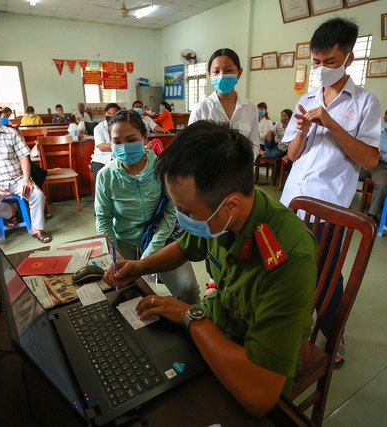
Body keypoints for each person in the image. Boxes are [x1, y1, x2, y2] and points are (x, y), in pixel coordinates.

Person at [103, 120, 317, 416]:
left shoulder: (288, 259)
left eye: (187, 212)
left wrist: (190, 315)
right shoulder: (222, 216)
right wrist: (140, 266)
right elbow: (185, 247)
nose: (181, 219)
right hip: (217, 325)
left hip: (248, 361)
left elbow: (259, 397)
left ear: (229, 205)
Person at [280, 17, 382, 367]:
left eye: (330, 62)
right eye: (317, 62)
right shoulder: (306, 99)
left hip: (330, 204)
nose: (322, 69)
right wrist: (304, 130)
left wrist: (332, 123)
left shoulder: (367, 103)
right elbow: (291, 155)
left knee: (326, 272)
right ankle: (288, 323)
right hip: (292, 199)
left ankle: (331, 335)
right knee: (285, 263)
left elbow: (369, 158)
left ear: (349, 59)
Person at [94, 110, 200, 304]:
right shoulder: (105, 176)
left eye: (131, 139)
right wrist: (114, 255)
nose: (124, 146)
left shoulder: (162, 167)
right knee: (121, 293)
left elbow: (171, 209)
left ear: (144, 137)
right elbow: (103, 220)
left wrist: (152, 250)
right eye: (117, 141)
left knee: (188, 290)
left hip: (162, 239)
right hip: (124, 241)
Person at [0, 99, 52, 243]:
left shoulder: (10, 133)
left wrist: (26, 178)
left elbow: (23, 156)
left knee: (37, 195)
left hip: (18, 179)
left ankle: (36, 229)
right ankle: (10, 211)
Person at [188, 48, 260, 159]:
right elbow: (191, 146)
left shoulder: (250, 108)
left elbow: (254, 144)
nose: (221, 76)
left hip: (241, 173)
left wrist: (244, 166)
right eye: (216, 71)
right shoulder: (201, 109)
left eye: (228, 70)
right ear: (210, 75)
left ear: (239, 73)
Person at [90, 102, 121, 189]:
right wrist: (120, 145)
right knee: (100, 178)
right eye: (109, 113)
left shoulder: (122, 127)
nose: (111, 116)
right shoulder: (98, 128)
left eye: (114, 114)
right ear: (105, 114)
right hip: (101, 159)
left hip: (118, 157)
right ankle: (100, 200)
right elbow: (102, 147)